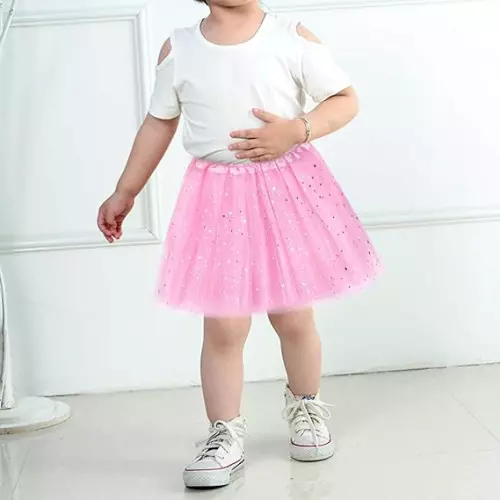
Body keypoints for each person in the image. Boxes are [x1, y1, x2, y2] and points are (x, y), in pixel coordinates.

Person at [97, 0, 380, 490]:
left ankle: (307, 406)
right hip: (217, 198)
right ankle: (224, 432)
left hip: (285, 190)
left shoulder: (289, 36)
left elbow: (345, 99)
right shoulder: (180, 48)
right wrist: (126, 190)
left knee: (293, 315)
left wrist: (298, 129)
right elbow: (159, 122)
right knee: (224, 325)